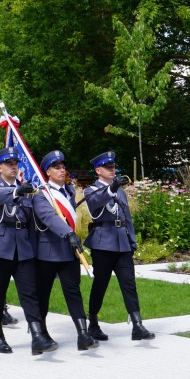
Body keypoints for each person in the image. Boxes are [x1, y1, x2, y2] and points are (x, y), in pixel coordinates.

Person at [0, 147, 57, 355]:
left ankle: (37, 336)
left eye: (16, 164)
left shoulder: (26, 188)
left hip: (23, 245)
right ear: (0, 168)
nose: (14, 167)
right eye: (9, 164)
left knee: (30, 292)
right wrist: (16, 192)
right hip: (0, 246)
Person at [83, 152, 155, 341]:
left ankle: (137, 325)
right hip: (103, 243)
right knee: (100, 284)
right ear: (98, 171)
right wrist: (111, 189)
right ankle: (93, 323)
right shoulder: (91, 190)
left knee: (129, 284)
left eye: (114, 167)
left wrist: (132, 240)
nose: (112, 170)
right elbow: (94, 206)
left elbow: (127, 218)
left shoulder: (120, 191)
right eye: (108, 167)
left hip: (122, 243)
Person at [33, 150, 98, 351]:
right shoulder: (41, 194)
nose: (62, 170)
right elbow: (49, 218)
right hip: (48, 252)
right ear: (47, 172)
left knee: (73, 292)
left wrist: (72, 236)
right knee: (43, 294)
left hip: (69, 251)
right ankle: (41, 333)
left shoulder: (69, 191)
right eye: (56, 168)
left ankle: (83, 334)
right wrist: (68, 233)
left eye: (63, 167)